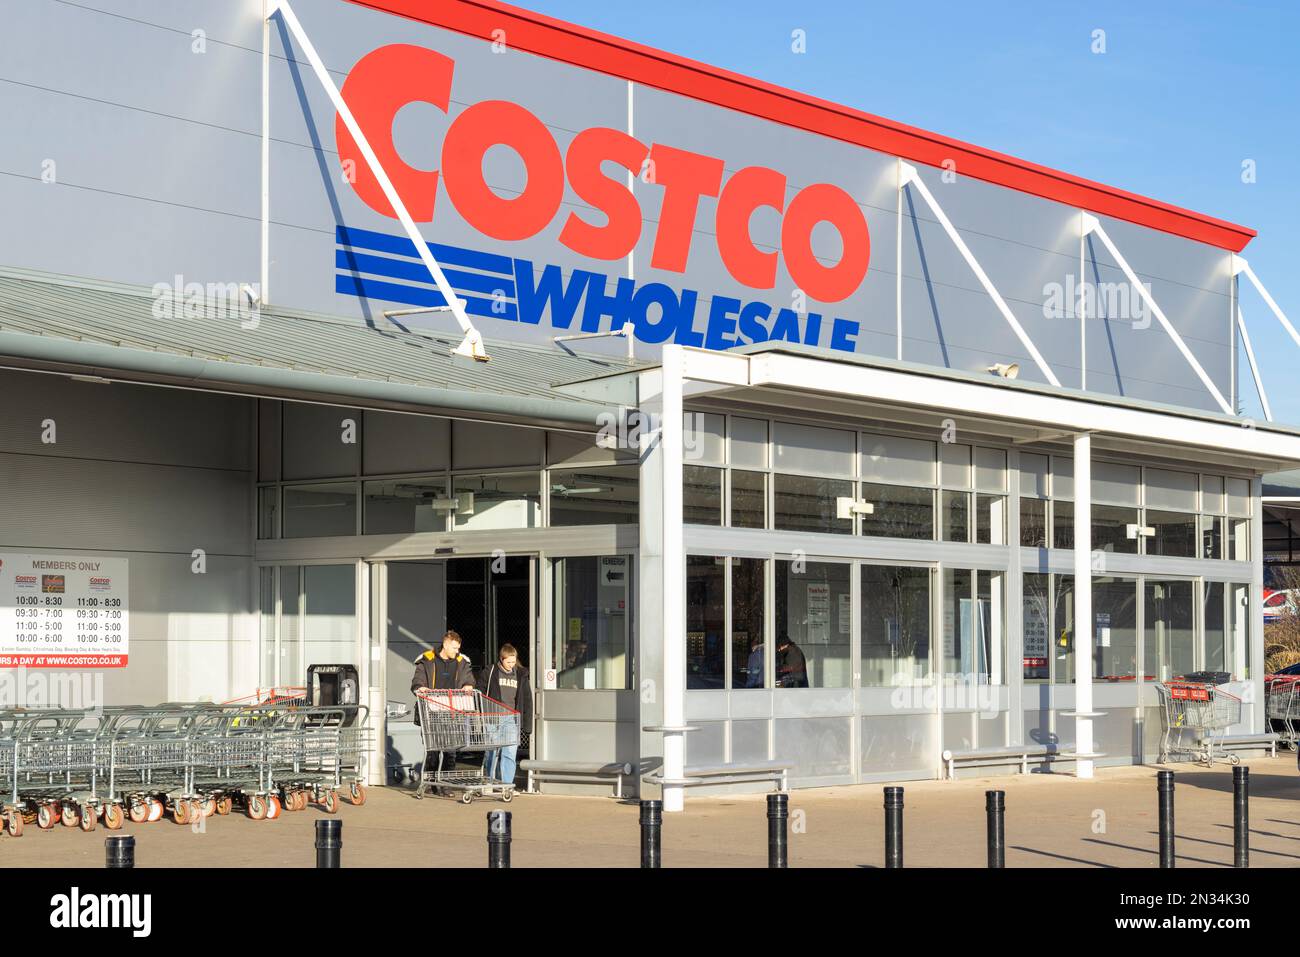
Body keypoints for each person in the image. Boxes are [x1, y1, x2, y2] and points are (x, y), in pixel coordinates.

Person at [411, 630, 476, 780]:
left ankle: (447, 783)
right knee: (432, 749)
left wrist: (468, 685)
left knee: (451, 750)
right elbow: (418, 679)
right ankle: (431, 782)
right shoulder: (427, 660)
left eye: (458, 648)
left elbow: (469, 678)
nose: (457, 651)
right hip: (432, 712)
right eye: (454, 647)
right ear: (446, 645)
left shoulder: (462, 662)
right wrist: (420, 687)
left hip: (453, 712)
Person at [478, 643, 532, 786]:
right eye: (508, 662)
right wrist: (482, 713)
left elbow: (527, 699)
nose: (511, 665)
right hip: (493, 718)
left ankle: (506, 785)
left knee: (509, 753)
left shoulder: (520, 675)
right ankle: (490, 782)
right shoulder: (490, 672)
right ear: (501, 659)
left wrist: (527, 724)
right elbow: (480, 692)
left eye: (513, 662)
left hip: (511, 719)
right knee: (492, 753)